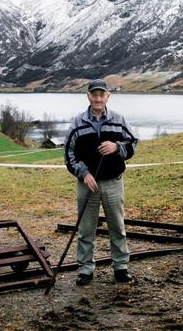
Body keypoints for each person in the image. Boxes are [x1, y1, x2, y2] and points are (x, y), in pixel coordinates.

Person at [64, 79, 138, 286]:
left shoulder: (119, 120)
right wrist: (84, 174)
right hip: (87, 184)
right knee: (86, 229)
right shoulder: (77, 123)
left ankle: (121, 268)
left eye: (101, 94)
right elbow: (69, 154)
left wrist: (116, 147)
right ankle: (85, 269)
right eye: (94, 94)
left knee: (117, 226)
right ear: (88, 96)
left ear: (108, 97)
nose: (98, 98)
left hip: (113, 182)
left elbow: (132, 144)